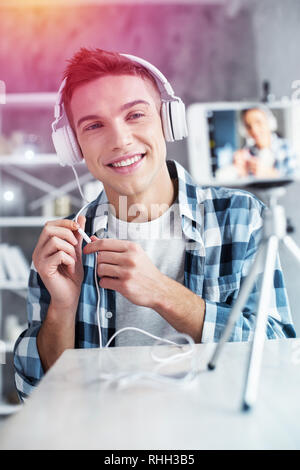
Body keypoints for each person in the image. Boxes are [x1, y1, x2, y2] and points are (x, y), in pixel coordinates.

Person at [14, 48, 296, 401]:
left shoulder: (240, 216)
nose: (120, 140)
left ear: (168, 120)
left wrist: (163, 293)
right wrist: (63, 309)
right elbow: (36, 396)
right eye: (94, 125)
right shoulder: (64, 245)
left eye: (135, 114)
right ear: (74, 146)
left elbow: (280, 359)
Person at [233, 106, 298, 178]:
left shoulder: (286, 148)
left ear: (269, 122)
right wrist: (242, 173)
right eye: (248, 126)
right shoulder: (246, 153)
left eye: (258, 122)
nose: (254, 130)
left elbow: (294, 181)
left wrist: (269, 173)